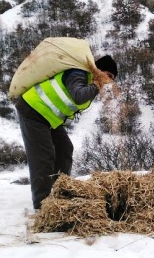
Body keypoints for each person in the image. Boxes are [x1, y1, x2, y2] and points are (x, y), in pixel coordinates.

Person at [15, 54, 118, 210]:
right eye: (108, 75)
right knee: (44, 155)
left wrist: (95, 85)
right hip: (32, 110)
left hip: (48, 116)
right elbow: (78, 96)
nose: (108, 80)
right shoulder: (78, 73)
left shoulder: (88, 80)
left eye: (111, 79)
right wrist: (97, 85)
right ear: (99, 69)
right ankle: (43, 204)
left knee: (64, 148)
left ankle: (60, 191)